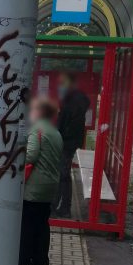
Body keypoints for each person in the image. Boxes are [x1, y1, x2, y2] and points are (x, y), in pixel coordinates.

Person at [18, 97, 63, 265]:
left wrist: (15, 157)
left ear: (40, 112)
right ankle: (41, 260)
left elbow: (30, 156)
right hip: (51, 184)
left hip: (35, 186)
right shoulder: (55, 131)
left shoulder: (37, 130)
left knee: (27, 224)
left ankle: (23, 263)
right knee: (42, 224)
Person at [54, 72, 90, 217]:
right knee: (63, 174)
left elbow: (67, 123)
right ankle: (60, 206)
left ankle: (62, 208)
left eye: (63, 82)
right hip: (70, 141)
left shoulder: (73, 100)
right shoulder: (76, 99)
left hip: (67, 142)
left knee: (62, 174)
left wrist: (59, 134)